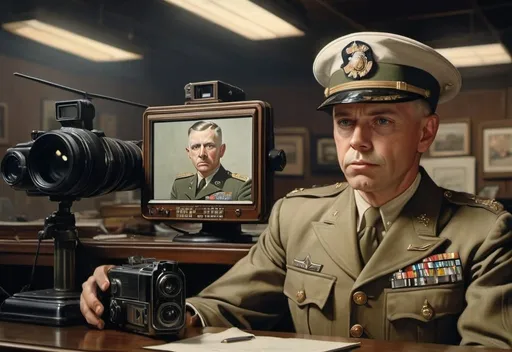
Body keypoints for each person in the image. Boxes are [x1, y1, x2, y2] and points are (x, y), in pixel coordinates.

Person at [80, 32, 512, 348]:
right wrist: (129, 296)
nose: (358, 139)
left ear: (426, 132)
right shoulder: (296, 216)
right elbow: (222, 306)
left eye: (381, 121)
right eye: (345, 121)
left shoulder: (482, 232)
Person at [169, 120, 251, 201]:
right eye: (196, 147)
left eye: (209, 146)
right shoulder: (179, 186)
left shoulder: (240, 187)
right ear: (189, 152)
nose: (202, 154)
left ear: (221, 150)